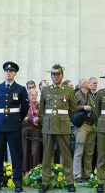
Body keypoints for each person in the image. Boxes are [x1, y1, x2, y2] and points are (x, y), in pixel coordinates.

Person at [0, 61, 29, 193]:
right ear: (4, 72)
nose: (8, 73)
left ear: (15, 74)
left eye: (11, 71)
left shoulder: (21, 89)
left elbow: (25, 108)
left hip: (14, 125)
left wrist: (18, 119)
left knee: (16, 155)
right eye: (6, 71)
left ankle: (17, 182)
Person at [38, 64, 77, 193]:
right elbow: (42, 110)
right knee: (47, 155)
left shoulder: (69, 91)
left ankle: (70, 182)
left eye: (58, 74)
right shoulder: (45, 90)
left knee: (66, 155)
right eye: (54, 75)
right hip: (48, 125)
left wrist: (65, 119)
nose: (56, 77)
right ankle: (45, 182)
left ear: (62, 75)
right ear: (51, 76)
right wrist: (46, 120)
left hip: (63, 125)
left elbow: (73, 109)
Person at [72, 78, 96, 183]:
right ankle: (77, 175)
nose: (90, 84)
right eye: (87, 83)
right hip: (82, 125)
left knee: (89, 152)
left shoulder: (91, 95)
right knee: (79, 151)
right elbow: (71, 107)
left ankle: (88, 174)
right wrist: (83, 107)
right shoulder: (77, 94)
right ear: (83, 84)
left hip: (92, 125)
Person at [21, 89, 41, 176]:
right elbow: (22, 119)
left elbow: (42, 118)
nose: (34, 96)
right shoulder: (24, 105)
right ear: (28, 96)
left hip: (36, 131)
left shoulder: (40, 105)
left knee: (35, 152)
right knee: (25, 152)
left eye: (35, 95)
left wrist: (37, 118)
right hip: (25, 130)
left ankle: (35, 171)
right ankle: (26, 171)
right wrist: (31, 119)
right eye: (32, 95)